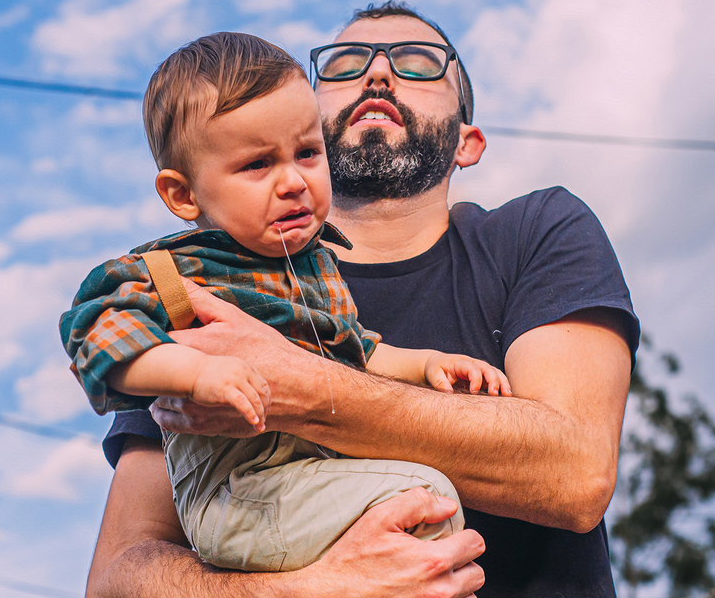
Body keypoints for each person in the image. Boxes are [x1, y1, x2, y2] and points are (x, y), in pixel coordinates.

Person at [87, 1, 640, 598]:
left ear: (467, 141)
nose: (377, 73)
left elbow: (575, 471)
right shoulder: (206, 286)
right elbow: (118, 577)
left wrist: (295, 386)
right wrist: (315, 590)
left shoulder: (537, 231)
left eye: (419, 62)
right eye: (345, 64)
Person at [61, 31, 511, 572]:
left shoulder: (316, 269)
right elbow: (101, 338)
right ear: (183, 195)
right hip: (237, 494)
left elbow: (359, 353)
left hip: (303, 479)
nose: (293, 181)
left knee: (420, 501)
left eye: (306, 153)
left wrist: (428, 364)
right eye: (257, 165)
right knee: (422, 495)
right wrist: (197, 375)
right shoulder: (171, 274)